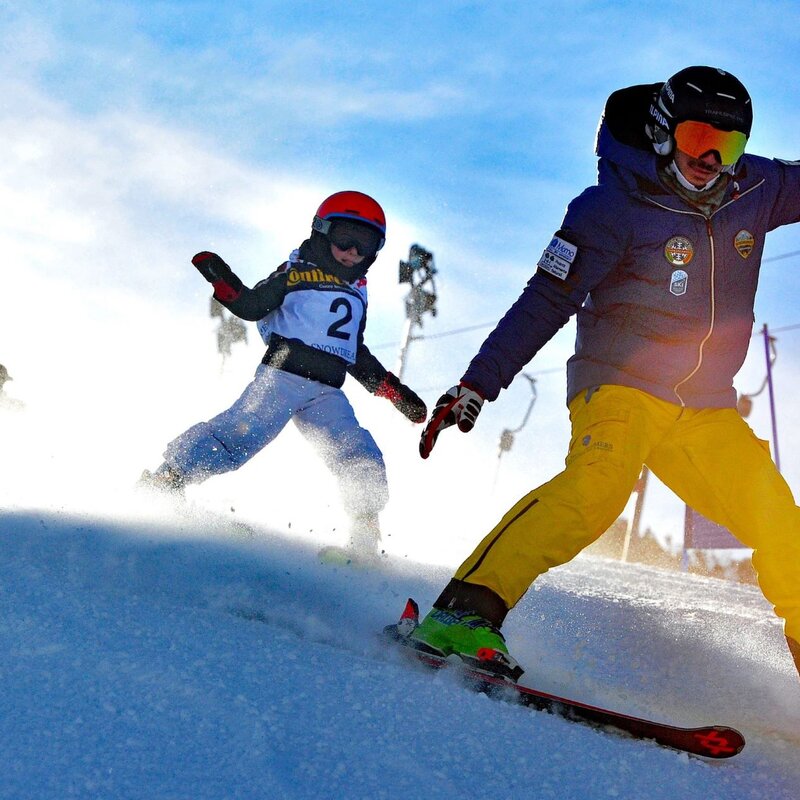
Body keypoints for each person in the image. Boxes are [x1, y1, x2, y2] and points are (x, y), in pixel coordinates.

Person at [410, 66, 800, 681]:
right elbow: (544, 300)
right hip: (619, 384)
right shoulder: (611, 207)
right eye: (698, 135)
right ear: (664, 129)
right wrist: (477, 384)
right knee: (599, 486)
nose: (710, 157)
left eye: (729, 145)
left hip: (704, 408)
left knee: (777, 517)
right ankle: (464, 611)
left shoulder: (756, 189)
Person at [141, 190, 427, 563]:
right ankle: (167, 481)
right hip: (282, 376)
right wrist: (222, 280)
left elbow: (355, 351)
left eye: (366, 244)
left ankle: (365, 537)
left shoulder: (358, 294)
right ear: (322, 232)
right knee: (242, 432)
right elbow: (251, 305)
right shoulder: (297, 272)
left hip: (327, 393)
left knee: (357, 450)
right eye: (345, 239)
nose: (353, 252)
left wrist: (397, 394)